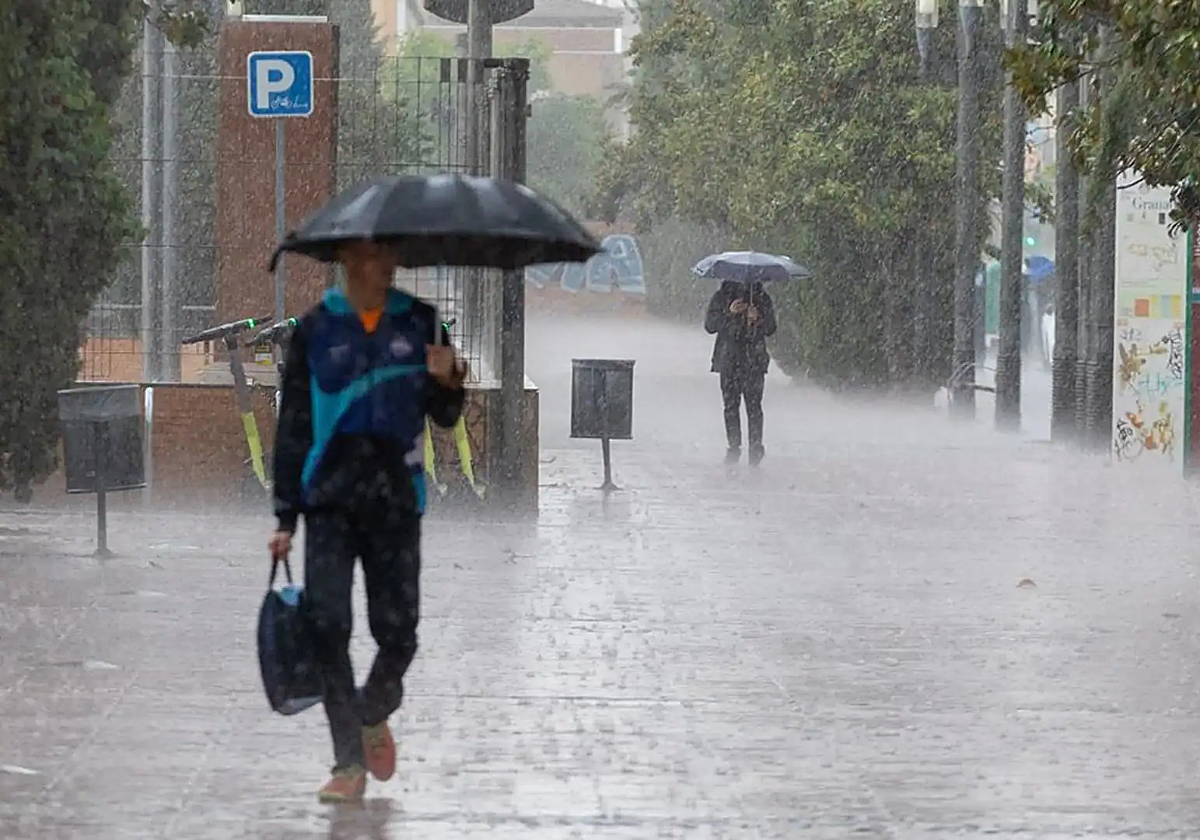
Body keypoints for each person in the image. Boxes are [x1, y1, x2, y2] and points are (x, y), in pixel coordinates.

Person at [268, 238, 467, 804]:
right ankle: (347, 762)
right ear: (349, 260)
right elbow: (295, 426)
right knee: (327, 627)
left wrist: (451, 381)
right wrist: (285, 516)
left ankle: (371, 710)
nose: (388, 266)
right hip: (328, 503)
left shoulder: (422, 323)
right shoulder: (315, 330)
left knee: (399, 632)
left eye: (391, 255)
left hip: (396, 504)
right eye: (375, 256)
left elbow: (446, 416)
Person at [704, 280, 777, 465]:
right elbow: (710, 325)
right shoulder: (722, 296)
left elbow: (771, 328)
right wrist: (730, 313)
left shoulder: (761, 297)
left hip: (754, 361)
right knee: (731, 407)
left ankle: (755, 447)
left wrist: (757, 318)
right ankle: (734, 447)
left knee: (754, 407)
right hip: (729, 361)